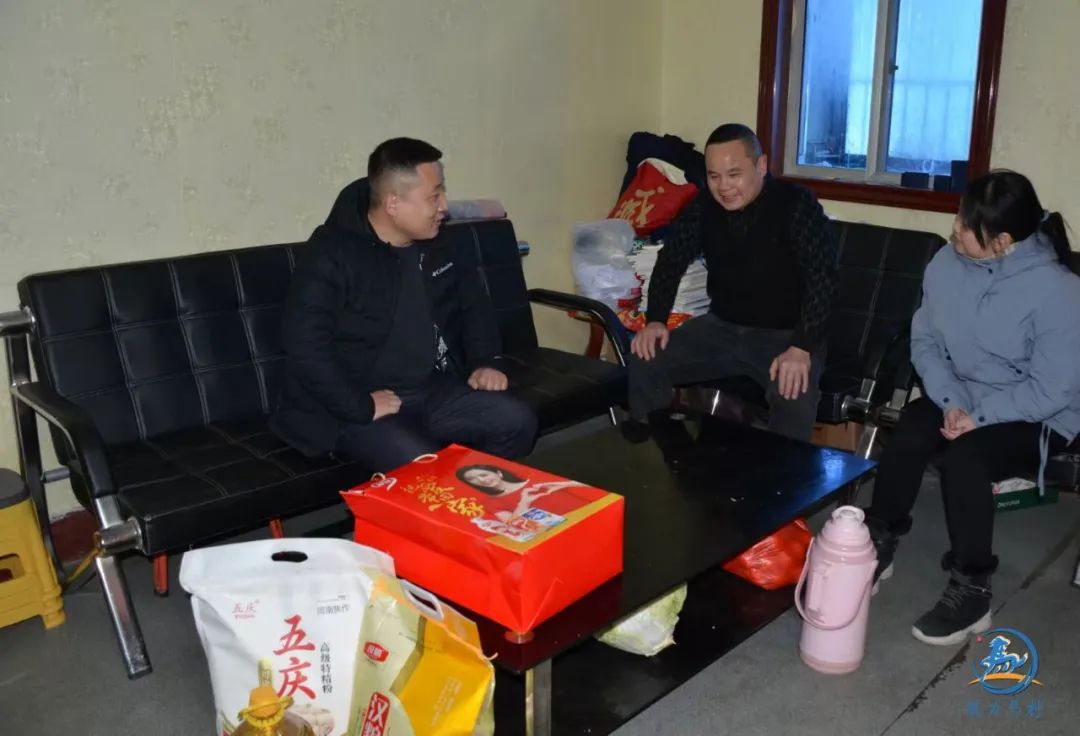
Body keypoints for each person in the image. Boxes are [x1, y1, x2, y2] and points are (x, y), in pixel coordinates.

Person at [867, 170, 1080, 646]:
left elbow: (1052, 391)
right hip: (963, 395)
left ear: (1003, 242)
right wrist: (952, 402)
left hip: (1039, 415)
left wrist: (976, 418)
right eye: (961, 215)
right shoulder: (946, 263)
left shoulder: (1059, 291)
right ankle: (879, 540)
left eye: (967, 225)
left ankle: (973, 588)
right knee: (911, 430)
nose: (955, 228)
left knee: (967, 457)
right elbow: (925, 342)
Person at [271, 138, 537, 471]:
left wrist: (485, 362)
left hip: (431, 390)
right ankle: (446, 496)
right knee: (422, 468)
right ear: (393, 203)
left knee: (516, 421)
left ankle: (473, 495)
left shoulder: (439, 242)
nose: (444, 206)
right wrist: (359, 406)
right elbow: (305, 346)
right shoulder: (331, 253)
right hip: (355, 404)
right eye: (433, 196)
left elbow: (473, 306)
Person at [625, 123, 838, 442]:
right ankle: (657, 455)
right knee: (645, 358)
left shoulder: (796, 204)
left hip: (785, 335)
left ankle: (784, 472)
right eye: (714, 176)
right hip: (721, 328)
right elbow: (671, 261)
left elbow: (823, 277)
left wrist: (802, 347)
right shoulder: (704, 206)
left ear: (761, 166)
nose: (723, 187)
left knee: (793, 391)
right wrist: (655, 320)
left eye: (734, 174)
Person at [456, 464, 585, 523]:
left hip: (587, 514)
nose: (481, 480)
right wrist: (523, 503)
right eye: (472, 479)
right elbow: (513, 525)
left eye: (484, 475)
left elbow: (590, 486)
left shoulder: (535, 479)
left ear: (498, 473)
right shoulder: (491, 502)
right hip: (560, 530)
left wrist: (566, 484)